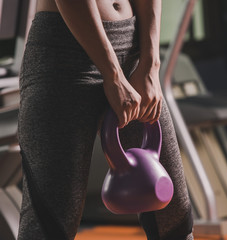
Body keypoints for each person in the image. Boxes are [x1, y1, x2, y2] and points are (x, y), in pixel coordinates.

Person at [17, 0, 194, 239]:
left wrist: (150, 65)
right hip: (64, 58)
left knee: (174, 218)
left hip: (132, 54)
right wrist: (112, 74)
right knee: (50, 224)